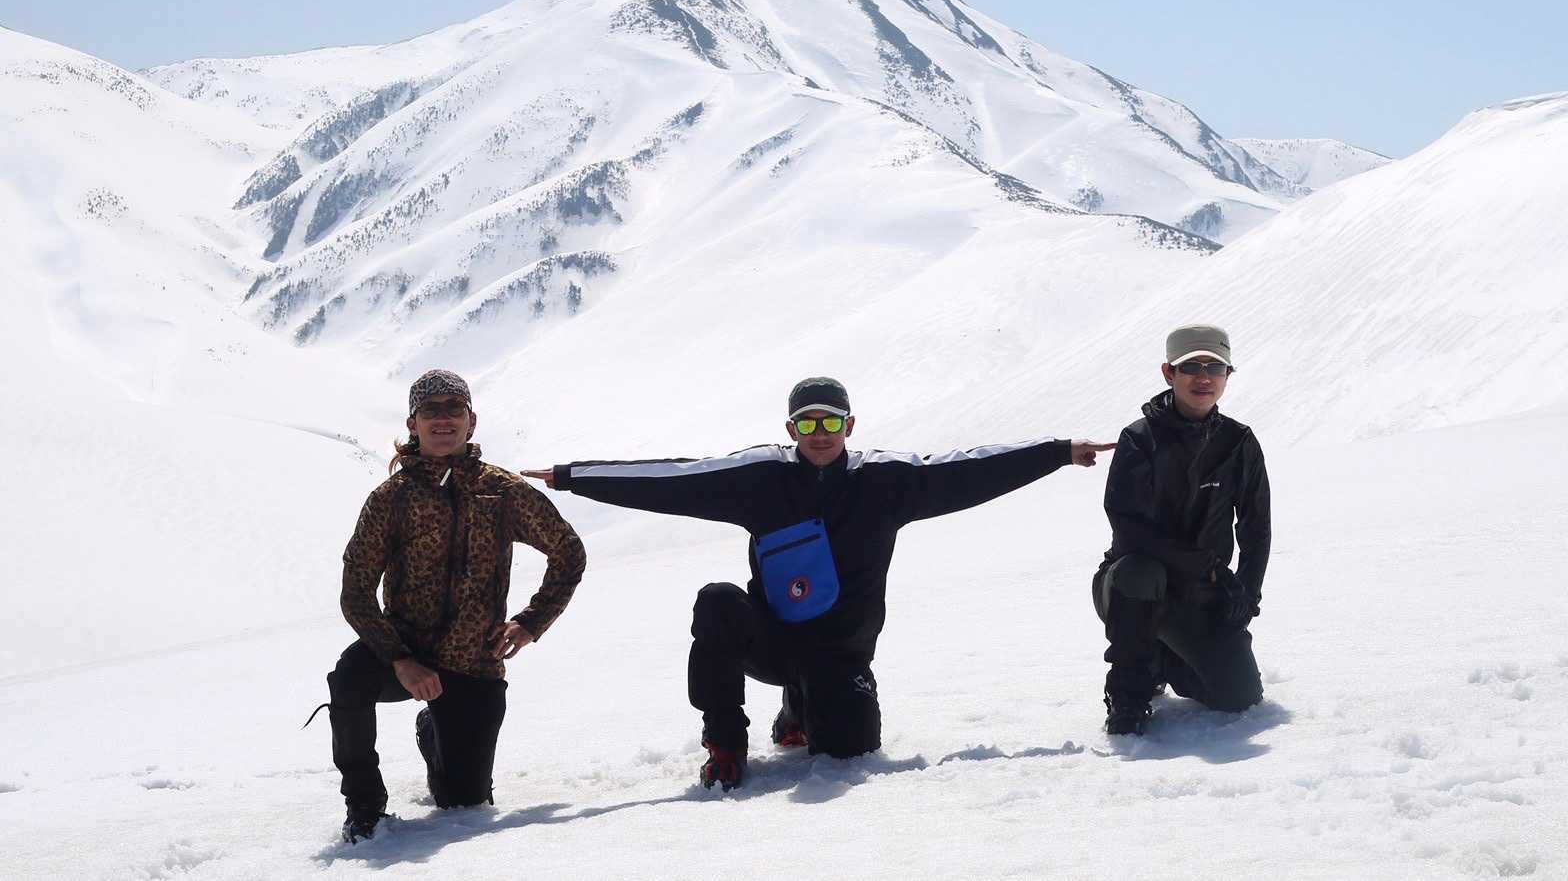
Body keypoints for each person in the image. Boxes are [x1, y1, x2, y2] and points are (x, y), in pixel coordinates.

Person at [523, 376, 1112, 790]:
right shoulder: (760, 477)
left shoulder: (885, 482)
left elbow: (970, 468)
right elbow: (675, 478)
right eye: (808, 423)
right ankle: (725, 746)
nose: (821, 433)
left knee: (848, 750)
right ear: (791, 427)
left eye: (831, 421)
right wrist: (574, 477)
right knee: (718, 602)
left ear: (849, 424)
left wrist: (1058, 452)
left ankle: (802, 709)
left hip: (841, 651)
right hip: (773, 641)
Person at [325, 370, 587, 843]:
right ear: (413, 424)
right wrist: (400, 660)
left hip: (474, 664)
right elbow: (356, 593)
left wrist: (531, 622)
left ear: (471, 420)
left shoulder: (502, 492)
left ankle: (434, 732)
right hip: (405, 651)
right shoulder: (391, 499)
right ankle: (364, 808)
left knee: (464, 804)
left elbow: (568, 551)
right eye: (431, 410)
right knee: (349, 676)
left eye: (454, 409)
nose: (443, 419)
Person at [1095, 325, 1271, 736]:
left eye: (1215, 367)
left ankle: (1162, 656)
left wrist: (1247, 595)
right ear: (1169, 373)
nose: (1204, 377)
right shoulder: (1139, 439)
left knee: (1239, 697)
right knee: (1141, 571)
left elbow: (1256, 528)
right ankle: (1128, 695)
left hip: (1204, 593)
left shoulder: (1239, 442)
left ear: (1228, 375)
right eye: (1191, 366)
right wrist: (1202, 566)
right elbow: (1129, 529)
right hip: (1130, 588)